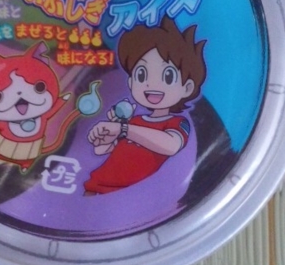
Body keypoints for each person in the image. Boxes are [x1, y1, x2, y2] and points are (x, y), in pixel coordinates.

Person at [84, 16, 207, 194]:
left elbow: (171, 145)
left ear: (187, 88)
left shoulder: (177, 123)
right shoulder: (136, 121)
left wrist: (122, 129)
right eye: (141, 75)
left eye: (168, 76)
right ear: (131, 82)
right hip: (95, 186)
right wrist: (104, 141)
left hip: (127, 195)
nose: (151, 84)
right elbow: (108, 151)